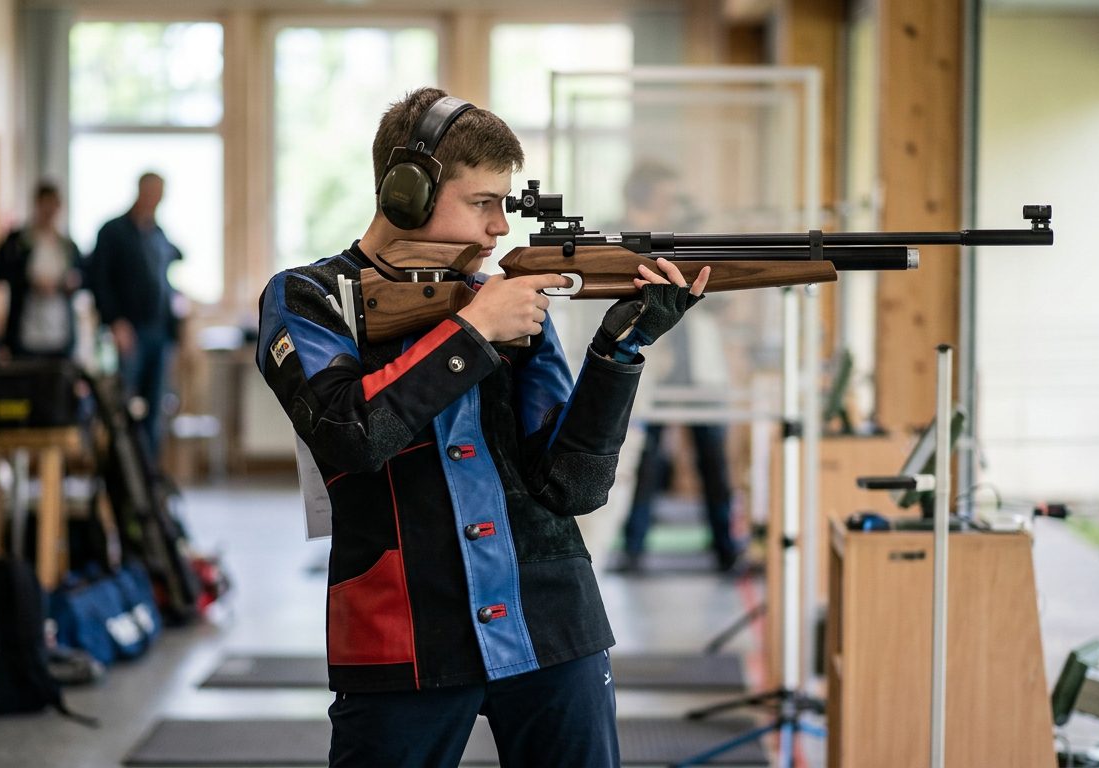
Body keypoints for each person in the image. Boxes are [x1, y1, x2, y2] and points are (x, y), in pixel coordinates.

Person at [256, 87, 710, 768]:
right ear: (404, 192)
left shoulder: (508, 302)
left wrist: (619, 352)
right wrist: (473, 331)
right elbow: (350, 433)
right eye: (483, 202)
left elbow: (572, 486)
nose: (501, 227)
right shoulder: (308, 297)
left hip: (554, 623)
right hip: (400, 633)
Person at [613, 161, 741, 574]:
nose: (673, 204)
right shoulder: (621, 237)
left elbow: (720, 299)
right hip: (651, 369)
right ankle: (632, 548)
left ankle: (726, 549)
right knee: (645, 463)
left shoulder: (685, 238)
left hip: (696, 373)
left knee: (713, 462)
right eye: (665, 195)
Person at [87, 172, 181, 463]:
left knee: (155, 409)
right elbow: (98, 280)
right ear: (140, 191)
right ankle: (123, 477)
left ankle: (148, 481)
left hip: (159, 332)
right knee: (123, 410)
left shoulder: (158, 234)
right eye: (151, 191)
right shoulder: (113, 231)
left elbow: (164, 281)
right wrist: (115, 321)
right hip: (129, 331)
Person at [0, 181, 84, 360]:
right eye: (45, 205)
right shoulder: (19, 241)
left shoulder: (67, 245)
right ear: (36, 204)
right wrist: (30, 282)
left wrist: (69, 283)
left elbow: (83, 277)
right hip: (26, 331)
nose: (49, 211)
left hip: (60, 333)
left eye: (53, 205)